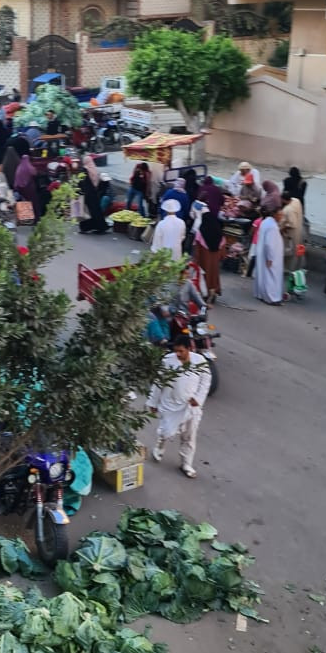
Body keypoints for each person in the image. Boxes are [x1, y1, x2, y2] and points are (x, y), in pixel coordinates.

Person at [146, 334, 212, 478]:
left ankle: (186, 463)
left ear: (189, 349)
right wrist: (153, 402)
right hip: (169, 404)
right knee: (166, 431)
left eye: (181, 351)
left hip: (190, 407)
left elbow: (205, 382)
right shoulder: (168, 361)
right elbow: (158, 383)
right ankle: (160, 446)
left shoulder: (200, 362)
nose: (178, 354)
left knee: (189, 437)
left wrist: (198, 398)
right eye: (176, 351)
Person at [194, 203, 225, 303]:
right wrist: (221, 257)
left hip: (204, 259)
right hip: (215, 258)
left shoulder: (201, 232)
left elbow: (197, 247)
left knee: (205, 275)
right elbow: (223, 248)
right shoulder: (219, 233)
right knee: (214, 274)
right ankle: (213, 292)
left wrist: (196, 259)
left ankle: (205, 293)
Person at [253, 210, 284, 304]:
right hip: (272, 256)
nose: (282, 217)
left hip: (262, 253)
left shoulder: (265, 222)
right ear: (275, 214)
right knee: (271, 276)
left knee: (263, 274)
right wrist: (270, 258)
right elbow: (269, 244)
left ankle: (261, 294)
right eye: (280, 215)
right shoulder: (272, 227)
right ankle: (272, 297)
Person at [77, 156, 108, 234]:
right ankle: (100, 227)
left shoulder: (84, 170)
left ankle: (87, 228)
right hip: (94, 192)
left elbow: (81, 182)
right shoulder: (94, 169)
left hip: (87, 194)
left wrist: (78, 191)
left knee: (87, 211)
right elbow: (97, 181)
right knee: (95, 211)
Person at [13, 152, 39, 218]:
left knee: (25, 203)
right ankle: (35, 217)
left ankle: (26, 217)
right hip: (29, 189)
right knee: (33, 203)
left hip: (20, 189)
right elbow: (35, 173)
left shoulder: (19, 168)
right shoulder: (29, 167)